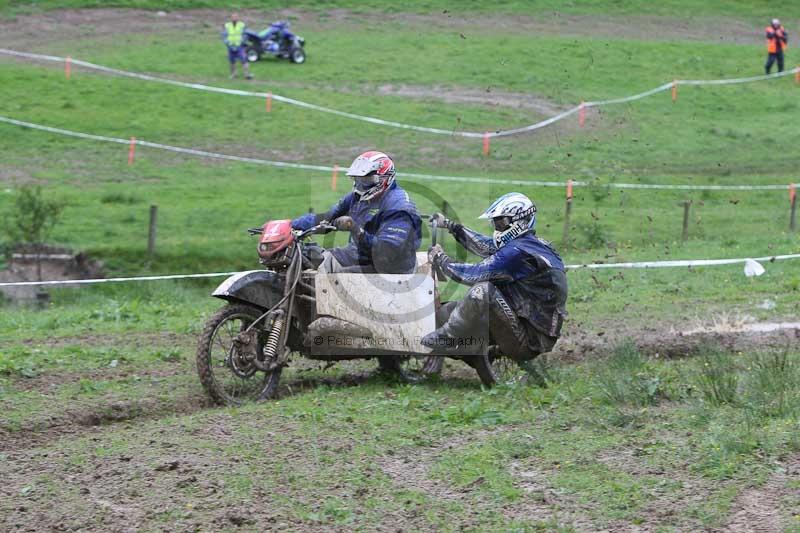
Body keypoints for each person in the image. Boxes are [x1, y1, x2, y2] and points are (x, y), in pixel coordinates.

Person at [421, 192, 568, 361]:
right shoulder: (530, 245)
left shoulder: (517, 252)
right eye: (495, 223)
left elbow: (475, 274)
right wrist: (451, 226)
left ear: (520, 221)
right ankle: (472, 350)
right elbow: (485, 245)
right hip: (532, 328)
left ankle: (447, 337)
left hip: (530, 339)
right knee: (455, 308)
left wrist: (441, 260)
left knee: (483, 290)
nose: (497, 228)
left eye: (501, 222)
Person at [291, 151, 422, 274]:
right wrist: (290, 225)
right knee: (313, 259)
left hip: (392, 268)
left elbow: (386, 252)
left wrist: (356, 230)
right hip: (360, 254)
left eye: (367, 180)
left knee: (336, 279)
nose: (361, 184)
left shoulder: (399, 207)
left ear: (385, 178)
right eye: (358, 179)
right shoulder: (357, 197)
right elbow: (327, 217)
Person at [221, 12, 253, 80]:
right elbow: (224, 35)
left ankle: (247, 74)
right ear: (230, 18)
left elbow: (245, 34)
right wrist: (227, 43)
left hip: (239, 46)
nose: (234, 18)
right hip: (230, 46)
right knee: (232, 61)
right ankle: (233, 74)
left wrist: (243, 42)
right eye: (233, 17)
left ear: (238, 18)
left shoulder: (242, 25)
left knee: (244, 60)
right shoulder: (227, 25)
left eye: (236, 17)